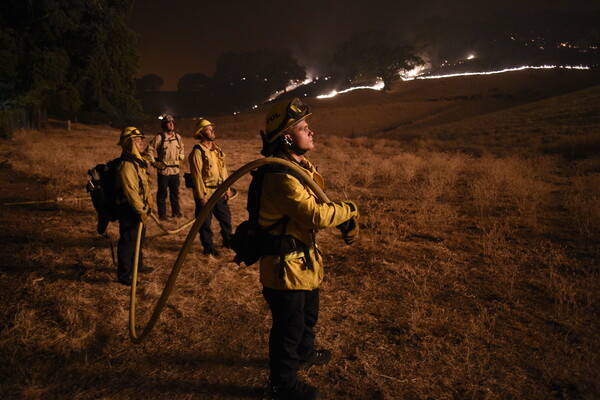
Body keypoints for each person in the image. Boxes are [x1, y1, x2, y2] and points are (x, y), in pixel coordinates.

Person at [257, 98, 359, 400]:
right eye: (303, 127)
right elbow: (314, 215)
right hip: (284, 269)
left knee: (307, 317)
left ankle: (304, 353)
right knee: (288, 328)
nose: (311, 131)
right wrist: (350, 210)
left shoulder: (298, 167)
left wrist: (342, 217)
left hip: (302, 263)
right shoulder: (279, 177)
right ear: (287, 137)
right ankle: (282, 385)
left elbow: (319, 202)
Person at [115, 127, 154, 286]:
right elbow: (131, 192)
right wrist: (141, 211)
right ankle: (124, 275)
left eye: (141, 140)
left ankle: (138, 266)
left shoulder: (137, 162)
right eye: (137, 141)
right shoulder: (126, 166)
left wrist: (147, 207)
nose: (141, 144)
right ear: (129, 143)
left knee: (138, 240)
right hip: (130, 211)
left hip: (139, 210)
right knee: (128, 242)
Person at [189, 118, 233, 256]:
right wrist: (201, 196)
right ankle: (208, 249)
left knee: (226, 220)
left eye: (212, 128)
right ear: (201, 133)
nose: (212, 131)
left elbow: (223, 171)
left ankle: (228, 242)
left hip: (219, 192)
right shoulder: (198, 152)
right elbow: (196, 175)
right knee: (205, 224)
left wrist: (227, 189)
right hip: (206, 195)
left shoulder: (216, 150)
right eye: (208, 129)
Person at [144, 114, 185, 220]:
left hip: (175, 171)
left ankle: (176, 213)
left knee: (174, 193)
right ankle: (162, 216)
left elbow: (182, 149)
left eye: (172, 122)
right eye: (168, 122)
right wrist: (154, 162)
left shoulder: (177, 137)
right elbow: (149, 150)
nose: (171, 124)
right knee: (162, 194)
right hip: (164, 171)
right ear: (164, 125)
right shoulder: (159, 137)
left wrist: (180, 158)